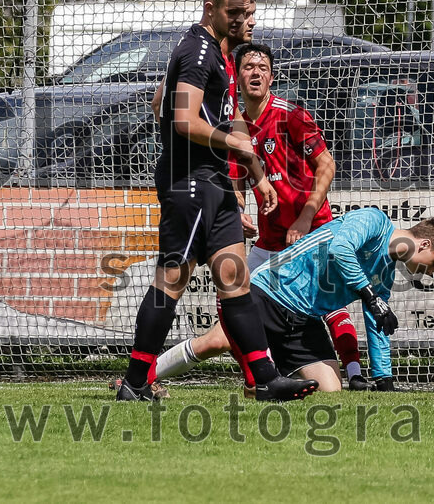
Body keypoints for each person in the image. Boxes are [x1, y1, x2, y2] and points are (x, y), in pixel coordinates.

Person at [117, 0, 318, 403]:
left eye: (249, 12)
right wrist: (225, 143)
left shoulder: (223, 53)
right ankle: (135, 382)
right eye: (237, 12)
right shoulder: (197, 51)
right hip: (189, 185)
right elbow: (182, 118)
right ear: (211, 9)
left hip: (216, 184)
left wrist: (257, 173)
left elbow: (172, 104)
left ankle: (264, 379)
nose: (246, 19)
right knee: (171, 281)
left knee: (235, 278)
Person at [147, 41, 386, 392]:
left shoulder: (292, 115)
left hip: (310, 234)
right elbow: (237, 180)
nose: (255, 72)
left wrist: (305, 218)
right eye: (248, 67)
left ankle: (354, 375)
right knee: (227, 316)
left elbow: (327, 166)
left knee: (331, 306)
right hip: (270, 242)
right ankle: (150, 374)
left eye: (262, 67)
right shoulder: (234, 127)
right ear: (237, 77)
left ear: (272, 77)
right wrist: (238, 212)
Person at [245, 209, 434, 391]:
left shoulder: (385, 273)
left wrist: (383, 379)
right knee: (218, 342)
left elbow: (377, 322)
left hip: (304, 315)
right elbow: (340, 249)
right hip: (271, 289)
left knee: (330, 388)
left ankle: (275, 367)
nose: (432, 272)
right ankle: (262, 360)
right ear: (424, 244)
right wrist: (370, 294)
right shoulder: (374, 219)